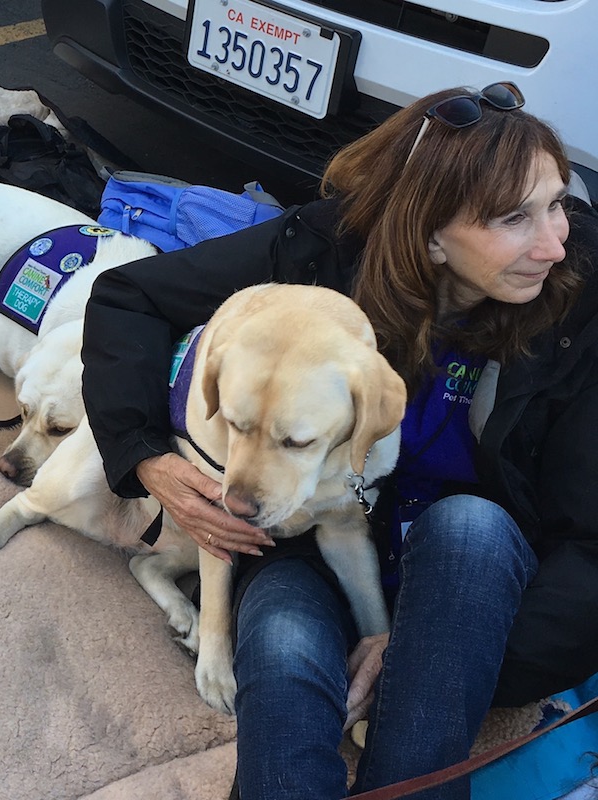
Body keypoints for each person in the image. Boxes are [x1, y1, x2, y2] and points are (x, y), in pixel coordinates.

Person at [81, 82, 598, 800]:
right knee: (285, 655)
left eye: (559, 204)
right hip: (321, 534)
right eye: (515, 219)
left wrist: (435, 655)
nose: (555, 242)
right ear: (429, 235)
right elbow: (127, 297)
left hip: (470, 572)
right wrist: (145, 456)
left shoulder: (580, 310)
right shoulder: (323, 249)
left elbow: (592, 550)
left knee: (470, 524)